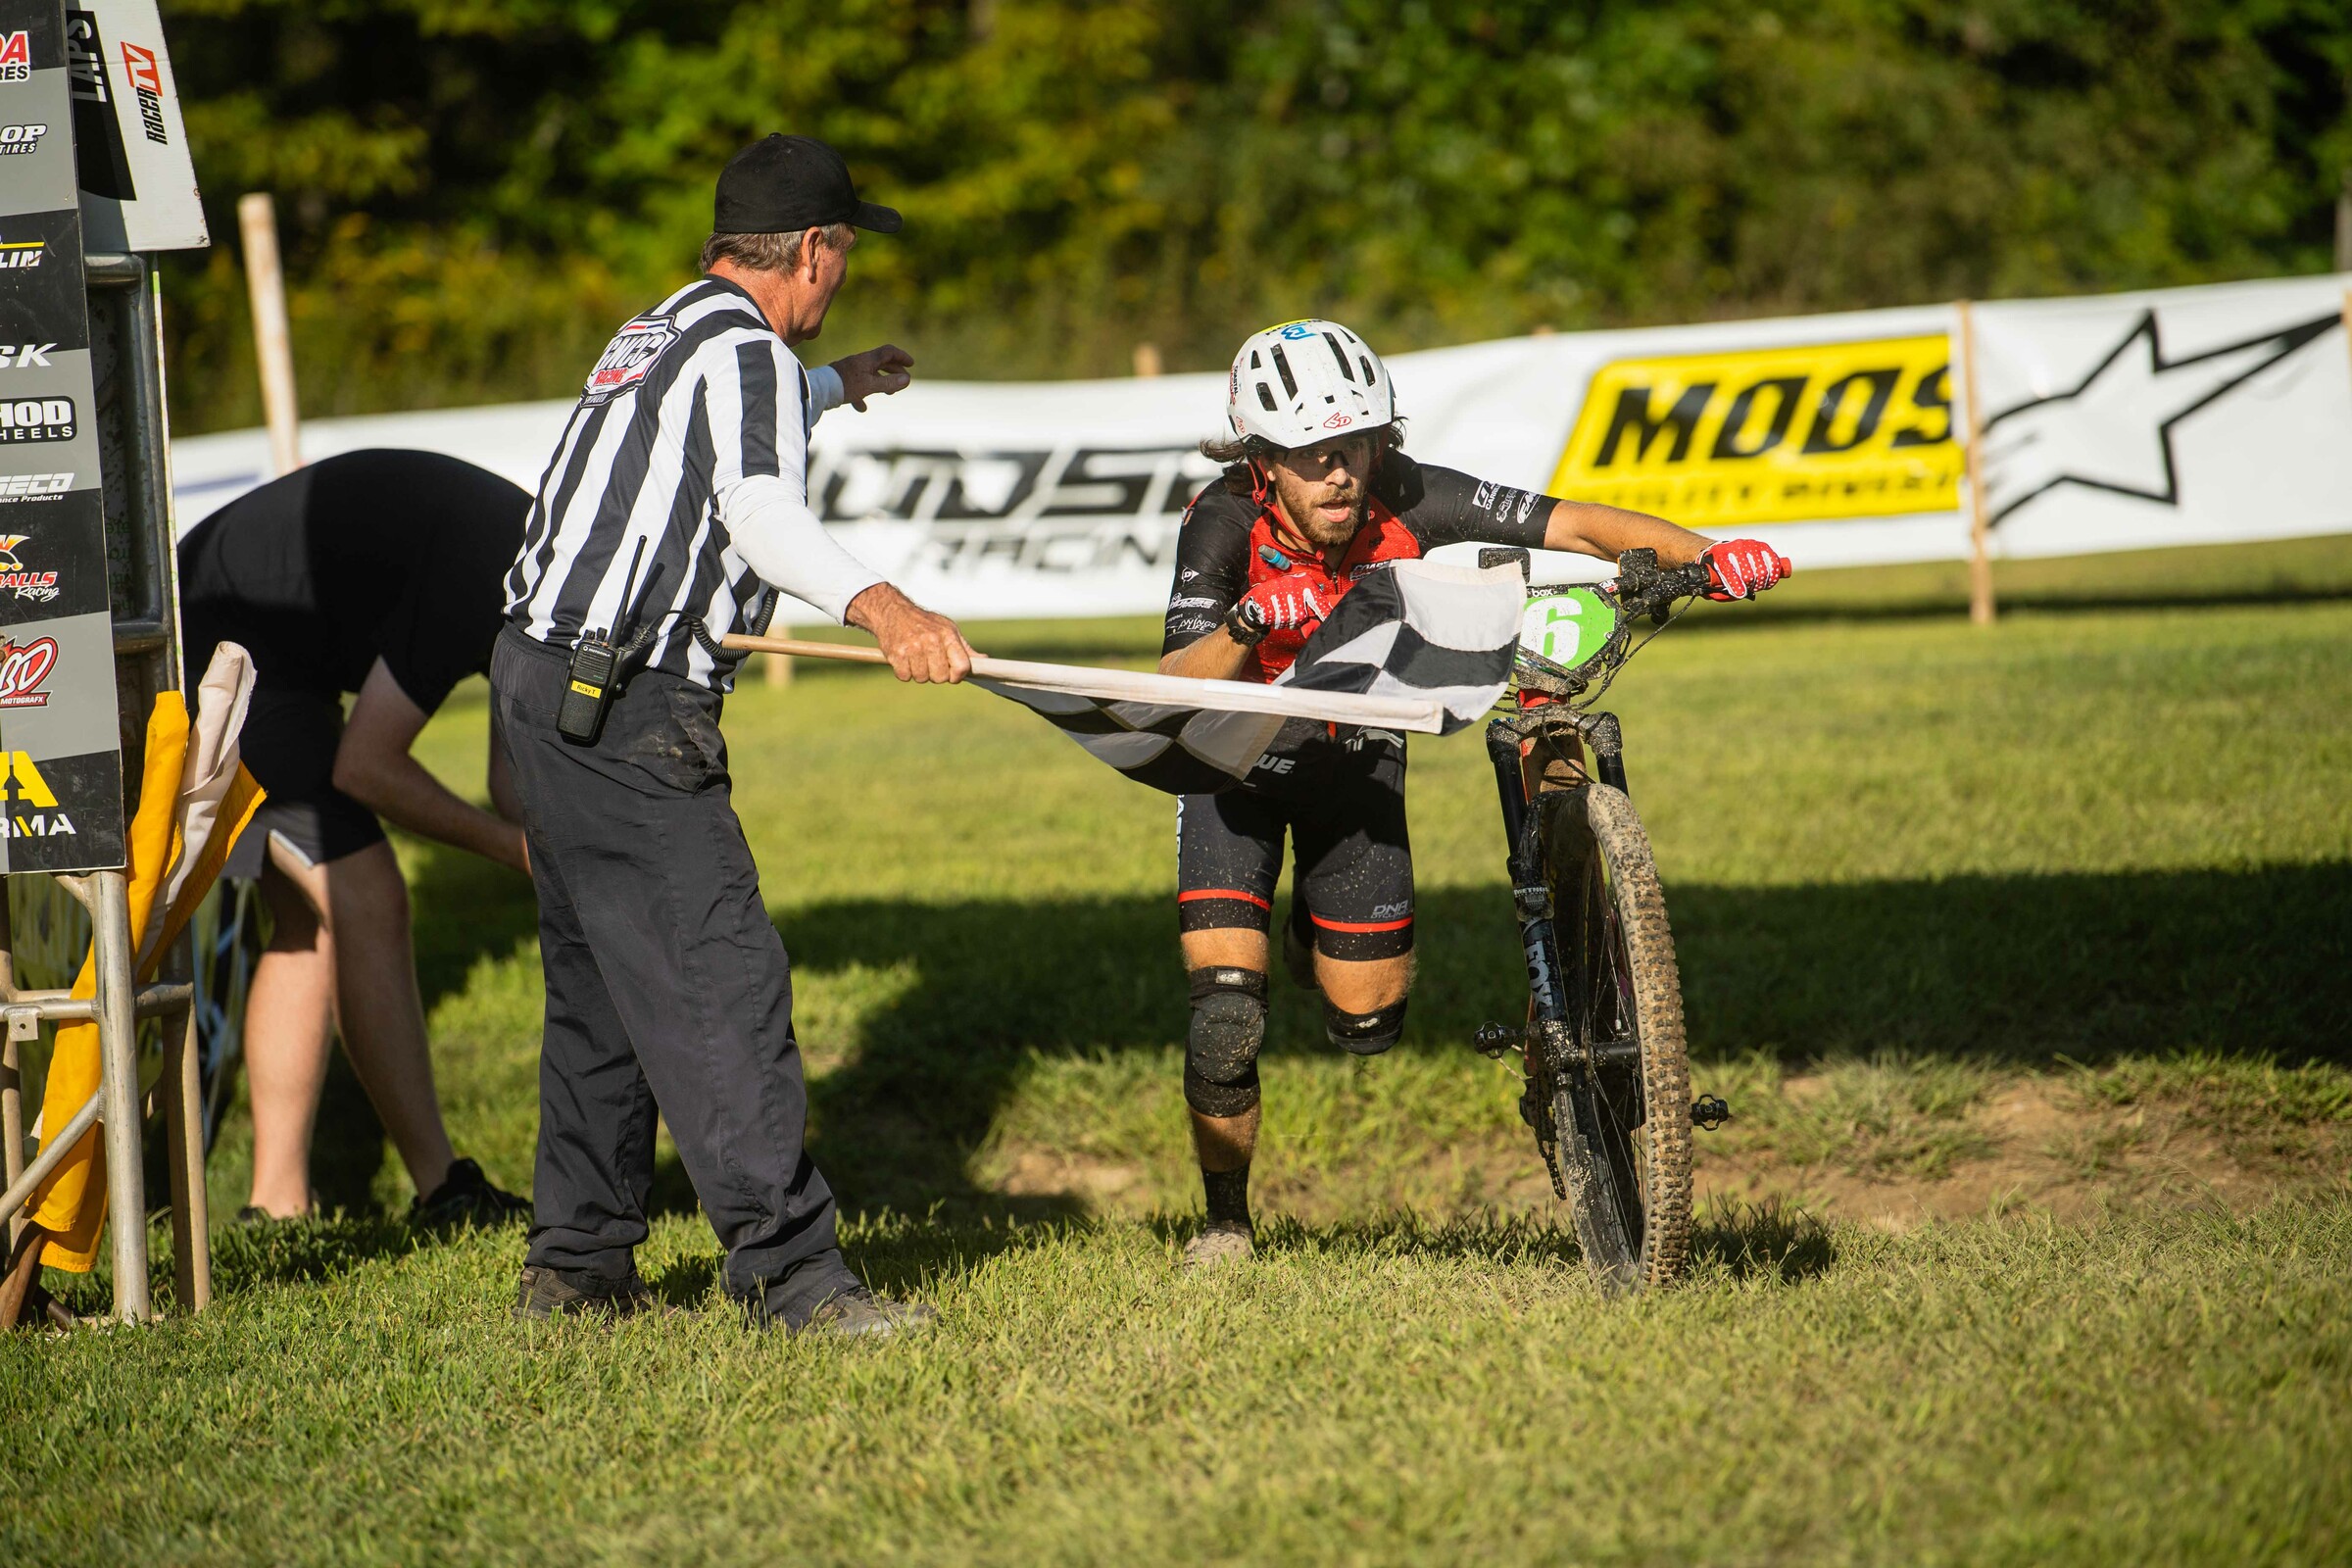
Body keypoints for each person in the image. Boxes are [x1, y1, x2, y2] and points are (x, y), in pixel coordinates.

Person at [1159, 319, 1792, 1270]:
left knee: (1366, 1024)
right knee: (1225, 1015)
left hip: (1354, 756)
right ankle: (1224, 1220)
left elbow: (1574, 522)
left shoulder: (1404, 491)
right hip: (1231, 762)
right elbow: (1178, 675)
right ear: (1262, 464)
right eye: (1312, 456)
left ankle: (1304, 931)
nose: (1341, 473)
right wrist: (1252, 619)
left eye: (1358, 445)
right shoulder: (1221, 519)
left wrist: (1710, 556)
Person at [491, 133, 972, 1335]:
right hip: (632, 702)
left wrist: (843, 382)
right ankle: (795, 1275)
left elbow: (730, 416)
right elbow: (757, 503)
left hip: (539, 684)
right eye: (844, 254)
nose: (842, 280)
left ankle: (579, 1261)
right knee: (720, 974)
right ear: (813, 249)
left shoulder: (664, 329)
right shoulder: (746, 352)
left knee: (601, 982)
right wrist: (886, 606)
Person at [177, 449, 537, 1225]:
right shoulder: (489, 576)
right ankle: (444, 1189)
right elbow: (368, 767)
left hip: (265, 653)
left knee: (311, 919)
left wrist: (578, 841)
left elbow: (514, 785)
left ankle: (275, 1202)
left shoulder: (536, 582)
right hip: (218, 651)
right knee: (369, 896)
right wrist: (519, 854)